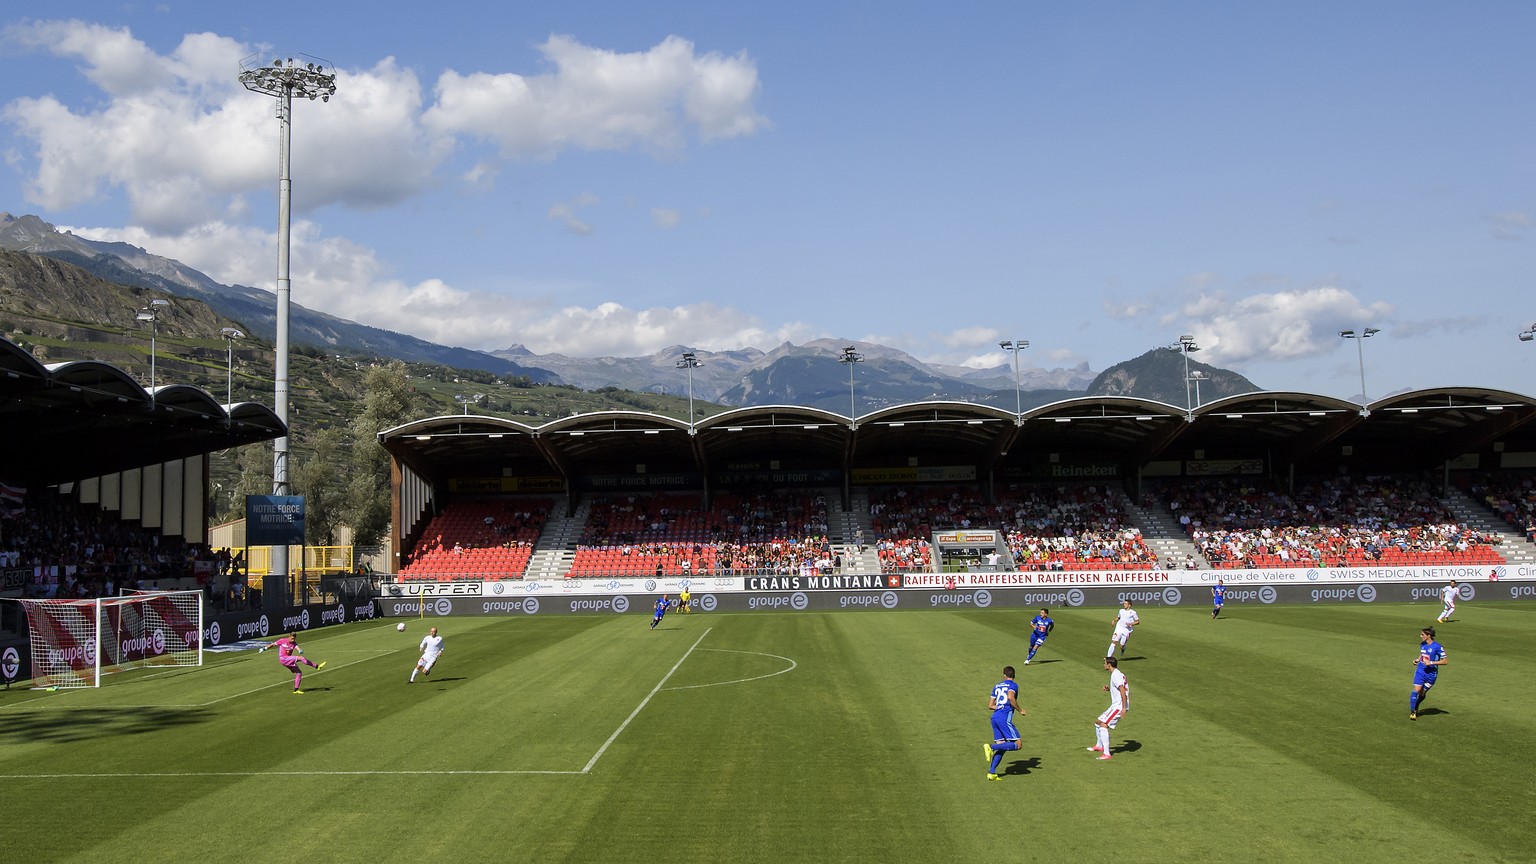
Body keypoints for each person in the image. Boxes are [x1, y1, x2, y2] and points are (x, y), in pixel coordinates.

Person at [983, 665, 1024, 780]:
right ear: (1014, 675)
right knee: (1018, 744)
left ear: (1004, 675)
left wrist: (1000, 706)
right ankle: (990, 747)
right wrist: (1020, 710)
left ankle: (991, 772)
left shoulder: (996, 686)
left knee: (1002, 747)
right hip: (1004, 718)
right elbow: (1010, 697)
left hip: (995, 718)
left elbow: (990, 705)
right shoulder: (1013, 685)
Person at [1088, 656, 1128, 761]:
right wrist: (1110, 690)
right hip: (1116, 705)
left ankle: (1106, 753)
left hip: (1118, 706)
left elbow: (1123, 691)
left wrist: (1123, 708)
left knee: (1103, 725)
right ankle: (1099, 746)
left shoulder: (1116, 675)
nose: (1104, 665)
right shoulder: (1117, 674)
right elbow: (1119, 691)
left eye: (1105, 663)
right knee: (1098, 722)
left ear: (1109, 665)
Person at [1410, 626, 1447, 720]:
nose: (1420, 636)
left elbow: (1445, 661)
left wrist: (1431, 663)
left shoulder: (1437, 647)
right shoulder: (1422, 644)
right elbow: (1422, 653)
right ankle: (1413, 712)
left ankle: (1417, 704)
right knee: (1416, 691)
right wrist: (1418, 660)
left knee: (1422, 694)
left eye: (1422, 634)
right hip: (1421, 671)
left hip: (1431, 674)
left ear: (1429, 635)